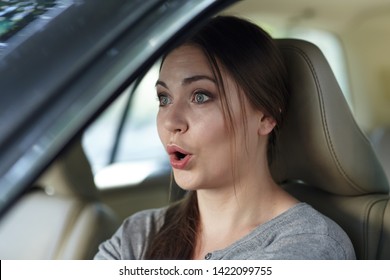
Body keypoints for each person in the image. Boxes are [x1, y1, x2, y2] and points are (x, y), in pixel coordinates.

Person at [94, 15, 355, 260]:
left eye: (200, 96)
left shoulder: (310, 245)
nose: (170, 122)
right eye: (164, 98)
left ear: (265, 116)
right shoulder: (139, 235)